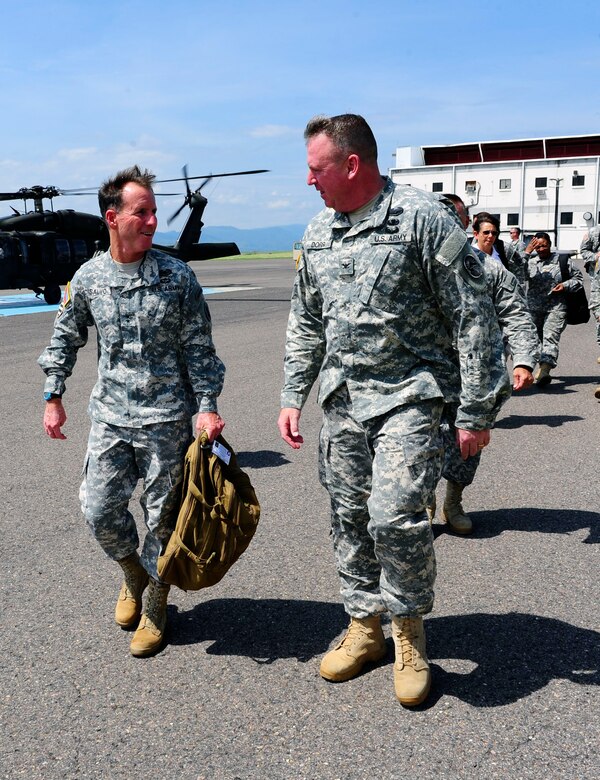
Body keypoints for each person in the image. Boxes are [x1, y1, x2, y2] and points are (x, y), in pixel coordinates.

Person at [278, 114, 510, 707]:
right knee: (349, 517)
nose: (309, 180)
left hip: (411, 395)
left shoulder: (422, 219)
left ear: (351, 164)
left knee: (394, 516)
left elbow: (473, 315)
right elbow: (306, 320)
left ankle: (408, 633)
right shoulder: (317, 234)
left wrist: (477, 410)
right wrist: (292, 394)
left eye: (316, 168)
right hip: (344, 400)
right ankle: (364, 628)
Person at [39, 165, 225, 657]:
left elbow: (199, 350)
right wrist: (53, 394)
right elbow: (66, 336)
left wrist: (207, 408)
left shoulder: (176, 276)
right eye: (141, 212)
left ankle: (156, 604)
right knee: (99, 509)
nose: (152, 221)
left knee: (163, 520)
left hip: (166, 421)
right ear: (113, 217)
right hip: (111, 417)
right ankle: (132, 573)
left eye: (154, 211)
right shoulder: (89, 278)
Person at [436, 196, 540, 533]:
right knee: (417, 440)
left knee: (467, 445)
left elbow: (517, 314)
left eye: (455, 216)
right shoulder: (412, 266)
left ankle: (452, 501)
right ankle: (420, 499)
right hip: (425, 375)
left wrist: (523, 360)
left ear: (464, 224)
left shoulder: (486, 268)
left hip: (474, 378)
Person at [523, 232, 583, 386]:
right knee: (533, 340)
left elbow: (578, 279)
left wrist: (565, 285)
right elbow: (515, 272)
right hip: (534, 308)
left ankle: (544, 371)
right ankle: (532, 367)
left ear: (550, 244)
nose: (541, 249)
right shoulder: (530, 261)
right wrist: (527, 252)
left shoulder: (562, 261)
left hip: (556, 307)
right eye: (538, 246)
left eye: (544, 245)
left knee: (550, 337)